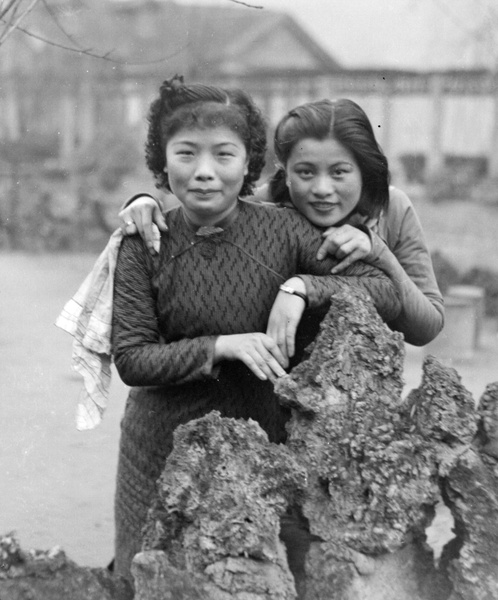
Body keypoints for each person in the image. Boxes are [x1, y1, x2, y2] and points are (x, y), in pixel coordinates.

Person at [110, 75, 401, 583]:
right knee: (150, 580)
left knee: (268, 581)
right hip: (158, 448)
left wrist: (302, 288)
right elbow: (132, 359)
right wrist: (223, 346)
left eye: (223, 155)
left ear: (249, 163)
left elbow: (385, 290)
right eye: (186, 154)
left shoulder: (284, 229)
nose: (204, 173)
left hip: (266, 453)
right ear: (161, 161)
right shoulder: (145, 239)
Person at [121, 98, 444, 347]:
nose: (321, 189)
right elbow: (198, 204)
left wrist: (376, 249)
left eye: (339, 172)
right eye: (305, 172)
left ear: (364, 170)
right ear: (284, 171)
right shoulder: (264, 205)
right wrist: (144, 202)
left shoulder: (393, 208)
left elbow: (426, 328)